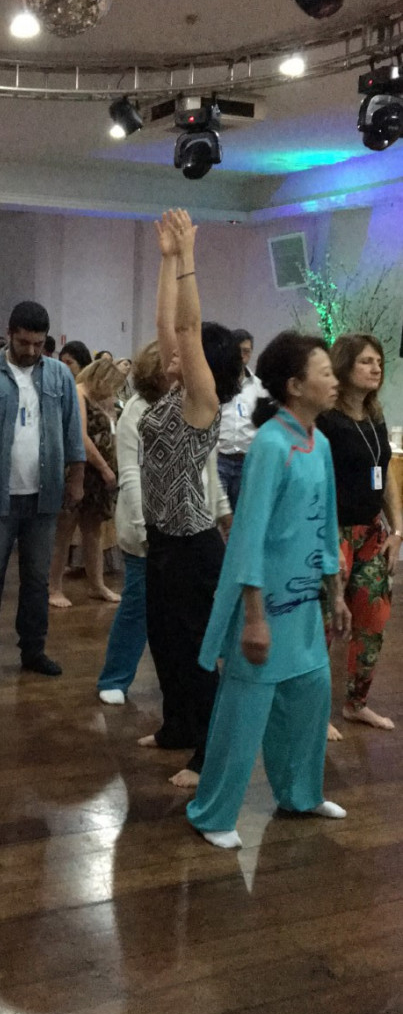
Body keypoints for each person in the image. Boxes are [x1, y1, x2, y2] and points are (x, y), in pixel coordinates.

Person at [187, 331, 351, 849]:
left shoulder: (320, 443)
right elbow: (248, 537)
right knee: (243, 715)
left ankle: (300, 794)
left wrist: (335, 592)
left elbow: (326, 523)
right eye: (325, 373)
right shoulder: (271, 445)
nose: (334, 381)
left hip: (305, 607)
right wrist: (254, 617)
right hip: (264, 608)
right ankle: (212, 813)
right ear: (295, 385)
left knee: (309, 700)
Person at [137, 210, 241, 789]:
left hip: (193, 545)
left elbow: (188, 327)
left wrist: (190, 259)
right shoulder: (174, 390)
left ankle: (207, 753)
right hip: (162, 539)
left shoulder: (203, 402)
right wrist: (167, 259)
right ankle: (177, 726)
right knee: (164, 643)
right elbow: (167, 323)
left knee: (196, 651)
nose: (173, 347)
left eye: (187, 347)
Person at [0, 300, 85, 680]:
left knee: (37, 580)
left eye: (38, 344)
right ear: (9, 333)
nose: (31, 350)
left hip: (44, 496)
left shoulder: (59, 376)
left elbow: (73, 432)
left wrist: (77, 478)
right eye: (24, 342)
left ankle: (34, 650)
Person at [97, 340, 231, 705]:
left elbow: (208, 467)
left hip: (192, 525)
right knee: (140, 604)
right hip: (150, 530)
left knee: (192, 609)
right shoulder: (137, 412)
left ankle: (195, 679)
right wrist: (146, 530)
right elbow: (131, 475)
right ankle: (115, 677)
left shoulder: (195, 405)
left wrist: (222, 511)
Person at [317, 333, 402, 739]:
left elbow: (384, 476)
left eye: (379, 362)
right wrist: (325, 538)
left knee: (373, 620)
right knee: (324, 624)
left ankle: (356, 703)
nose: (376, 368)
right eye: (367, 361)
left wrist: (397, 530)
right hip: (333, 532)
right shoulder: (325, 419)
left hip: (371, 533)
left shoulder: (374, 415)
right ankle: (312, 710)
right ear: (345, 366)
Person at [49, 357, 125, 609]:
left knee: (94, 532)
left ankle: (97, 584)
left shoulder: (106, 398)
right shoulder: (79, 393)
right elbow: (80, 437)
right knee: (64, 530)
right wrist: (104, 467)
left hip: (101, 475)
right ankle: (54, 587)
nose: (112, 390)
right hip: (79, 470)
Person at [217, 328, 267, 510]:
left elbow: (263, 423)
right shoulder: (218, 384)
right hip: (220, 458)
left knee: (243, 512)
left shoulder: (259, 387)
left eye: (247, 351)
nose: (242, 356)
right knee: (219, 514)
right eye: (238, 350)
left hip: (246, 461)